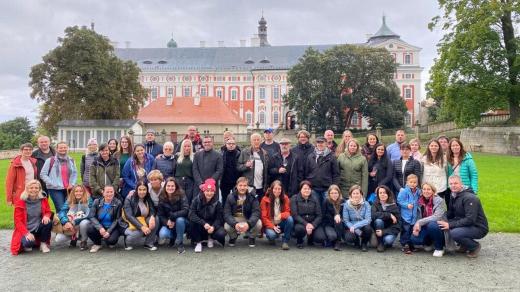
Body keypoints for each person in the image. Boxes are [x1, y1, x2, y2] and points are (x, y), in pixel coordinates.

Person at [438, 175, 488, 258]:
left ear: (461, 184)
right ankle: (464, 245)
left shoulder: (470, 198)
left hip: (478, 227)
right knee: (442, 224)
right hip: (465, 223)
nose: (453, 185)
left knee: (455, 232)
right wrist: (440, 216)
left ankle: (474, 246)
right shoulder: (453, 195)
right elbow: (451, 213)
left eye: (455, 183)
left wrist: (450, 225)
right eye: (451, 184)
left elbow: (470, 219)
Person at [11, 180, 52, 255]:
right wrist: (26, 233)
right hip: (26, 229)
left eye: (36, 188)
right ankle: (31, 241)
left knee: (48, 222)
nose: (34, 190)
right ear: (27, 189)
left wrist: (46, 216)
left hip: (38, 227)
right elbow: (18, 222)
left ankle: (43, 244)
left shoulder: (43, 199)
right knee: (28, 244)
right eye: (31, 188)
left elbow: (48, 211)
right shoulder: (21, 202)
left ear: (39, 189)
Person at [189, 178, 227, 253]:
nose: (209, 193)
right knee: (192, 222)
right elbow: (191, 214)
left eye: (211, 191)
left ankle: (210, 238)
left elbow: (219, 218)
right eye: (207, 191)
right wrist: (203, 223)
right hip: (200, 225)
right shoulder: (196, 200)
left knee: (221, 233)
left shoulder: (217, 203)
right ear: (203, 191)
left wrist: (213, 227)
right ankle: (198, 242)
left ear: (214, 192)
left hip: (211, 226)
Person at [410, 182, 447, 257]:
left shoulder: (439, 200)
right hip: (425, 225)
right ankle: (429, 243)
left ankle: (439, 248)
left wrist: (419, 222)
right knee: (414, 239)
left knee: (432, 225)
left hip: (438, 226)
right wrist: (416, 227)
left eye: (428, 189)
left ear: (433, 191)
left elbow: (437, 217)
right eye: (424, 189)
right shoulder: (419, 201)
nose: (426, 191)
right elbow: (418, 216)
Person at [224, 177, 263, 247]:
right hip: (236, 218)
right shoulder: (230, 197)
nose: (242, 188)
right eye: (240, 185)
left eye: (245, 186)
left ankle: (251, 237)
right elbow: (227, 214)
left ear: (247, 187)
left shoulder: (253, 196)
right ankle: (233, 237)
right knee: (226, 226)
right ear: (236, 186)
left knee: (259, 223)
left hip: (248, 218)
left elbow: (256, 212)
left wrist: (248, 224)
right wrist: (235, 224)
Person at [40, 142, 77, 213]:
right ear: (56, 149)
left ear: (67, 148)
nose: (63, 149)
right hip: (55, 189)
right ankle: (64, 223)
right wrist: (53, 183)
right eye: (61, 148)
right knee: (61, 208)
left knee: (69, 208)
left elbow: (74, 173)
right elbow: (43, 174)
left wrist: (72, 184)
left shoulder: (71, 160)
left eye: (65, 147)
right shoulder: (50, 160)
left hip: (68, 188)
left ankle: (67, 223)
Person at [121, 182, 158, 251]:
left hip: (143, 220)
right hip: (130, 223)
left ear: (147, 190)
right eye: (140, 189)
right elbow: (129, 216)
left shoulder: (147, 196)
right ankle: (127, 241)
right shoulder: (129, 198)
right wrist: (142, 227)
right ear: (136, 190)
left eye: (144, 189)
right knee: (136, 235)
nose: (142, 192)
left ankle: (148, 243)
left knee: (156, 219)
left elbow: (152, 208)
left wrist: (152, 217)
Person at [87, 185, 123, 253]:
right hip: (101, 226)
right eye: (107, 192)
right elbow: (91, 216)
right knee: (89, 229)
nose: (109, 194)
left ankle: (107, 240)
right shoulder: (96, 201)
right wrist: (100, 228)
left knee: (111, 241)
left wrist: (109, 231)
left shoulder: (118, 203)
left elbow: (118, 219)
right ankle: (97, 244)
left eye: (111, 192)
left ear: (114, 193)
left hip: (112, 227)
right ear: (103, 193)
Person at [157, 177, 189, 253]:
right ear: (165, 187)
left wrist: (173, 217)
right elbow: (160, 215)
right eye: (168, 186)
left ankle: (180, 243)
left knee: (179, 220)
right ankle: (174, 237)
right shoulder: (161, 196)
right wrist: (166, 222)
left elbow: (186, 210)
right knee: (162, 234)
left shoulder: (181, 194)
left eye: (172, 186)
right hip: (169, 222)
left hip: (183, 221)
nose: (170, 188)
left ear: (176, 186)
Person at [304, 136, 340, 203]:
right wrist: (308, 185)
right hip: (313, 188)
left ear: (326, 143)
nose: (320, 144)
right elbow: (307, 172)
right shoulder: (310, 156)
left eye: (322, 142)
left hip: (327, 188)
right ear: (316, 144)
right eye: (318, 142)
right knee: (316, 208)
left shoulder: (332, 156)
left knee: (327, 207)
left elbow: (336, 174)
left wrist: (334, 186)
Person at [57, 184, 93, 250]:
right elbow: (62, 212)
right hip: (71, 223)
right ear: (73, 192)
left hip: (82, 222)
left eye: (80, 191)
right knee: (59, 239)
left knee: (84, 223)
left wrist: (73, 222)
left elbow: (89, 214)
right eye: (76, 191)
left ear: (84, 192)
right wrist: (66, 222)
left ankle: (83, 241)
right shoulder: (69, 199)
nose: (78, 193)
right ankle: (74, 237)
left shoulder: (89, 200)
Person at [260, 180, 293, 250]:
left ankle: (285, 242)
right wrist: (272, 226)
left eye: (279, 189)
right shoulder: (264, 199)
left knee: (290, 219)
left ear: (282, 190)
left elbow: (288, 212)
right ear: (271, 189)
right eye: (275, 189)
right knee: (272, 235)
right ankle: (273, 236)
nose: (277, 191)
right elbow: (263, 217)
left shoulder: (285, 198)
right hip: (270, 224)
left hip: (280, 222)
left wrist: (281, 215)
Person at [290, 181, 322, 249]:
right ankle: (299, 241)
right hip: (300, 223)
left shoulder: (315, 198)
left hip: (313, 223)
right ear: (300, 189)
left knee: (320, 237)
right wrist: (306, 224)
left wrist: (313, 225)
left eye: (308, 189)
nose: (307, 190)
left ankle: (311, 238)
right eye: (305, 188)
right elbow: (295, 215)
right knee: (299, 229)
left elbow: (319, 215)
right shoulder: (294, 198)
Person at [237, 133, 269, 200]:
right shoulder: (245, 152)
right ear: (251, 141)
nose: (256, 141)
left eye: (258, 140)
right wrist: (246, 166)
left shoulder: (264, 153)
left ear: (261, 141)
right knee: (249, 205)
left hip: (261, 186)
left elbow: (266, 171)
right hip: (249, 186)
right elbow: (238, 167)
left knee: (260, 205)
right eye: (254, 140)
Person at [315, 185, 345, 251]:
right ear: (329, 194)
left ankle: (338, 242)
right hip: (328, 224)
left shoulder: (343, 201)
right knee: (331, 236)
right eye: (332, 193)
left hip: (339, 224)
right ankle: (330, 239)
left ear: (339, 193)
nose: (334, 195)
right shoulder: (326, 201)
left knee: (338, 220)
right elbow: (323, 215)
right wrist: (335, 215)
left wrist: (338, 216)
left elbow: (345, 215)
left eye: (336, 193)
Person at [397, 174, 422, 254]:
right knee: (405, 230)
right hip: (406, 215)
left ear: (417, 183)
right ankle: (405, 245)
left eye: (415, 182)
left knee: (411, 230)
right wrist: (406, 205)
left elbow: (421, 197)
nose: (413, 184)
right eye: (411, 182)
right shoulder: (404, 191)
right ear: (407, 182)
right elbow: (399, 201)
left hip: (414, 215)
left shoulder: (418, 191)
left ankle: (411, 245)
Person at [343, 185, 372, 252]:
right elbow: (346, 221)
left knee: (368, 228)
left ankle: (364, 243)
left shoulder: (366, 204)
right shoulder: (346, 204)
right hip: (351, 226)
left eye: (357, 193)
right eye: (354, 193)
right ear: (350, 195)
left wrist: (355, 226)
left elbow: (368, 220)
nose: (355, 195)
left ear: (361, 194)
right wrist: (354, 229)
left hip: (363, 225)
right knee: (349, 237)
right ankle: (356, 240)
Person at [371, 185, 400, 252]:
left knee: (388, 240)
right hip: (378, 228)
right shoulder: (375, 204)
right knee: (378, 221)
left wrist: (383, 232)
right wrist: (389, 215)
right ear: (378, 195)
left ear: (388, 193)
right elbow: (373, 215)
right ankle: (380, 242)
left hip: (390, 230)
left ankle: (385, 242)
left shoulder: (394, 205)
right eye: (380, 193)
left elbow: (398, 225)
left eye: (384, 192)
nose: (382, 194)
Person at [174, 139, 196, 204]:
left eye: (188, 146)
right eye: (185, 146)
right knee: (179, 200)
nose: (187, 148)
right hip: (179, 181)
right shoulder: (177, 156)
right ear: (182, 147)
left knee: (188, 200)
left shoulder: (194, 156)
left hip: (190, 181)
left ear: (191, 147)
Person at [220, 137, 241, 204]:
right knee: (224, 199)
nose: (231, 145)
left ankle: (236, 213)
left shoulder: (239, 154)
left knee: (237, 199)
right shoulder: (222, 154)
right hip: (224, 180)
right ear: (226, 144)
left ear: (235, 145)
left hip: (236, 180)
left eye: (233, 143)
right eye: (229, 143)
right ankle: (224, 213)